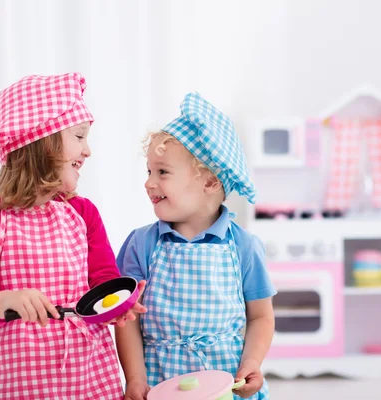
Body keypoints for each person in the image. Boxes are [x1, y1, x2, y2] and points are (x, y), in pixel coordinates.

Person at [0, 72, 145, 400]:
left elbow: (103, 283)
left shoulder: (83, 214)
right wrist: (5, 300)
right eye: (79, 136)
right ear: (42, 142)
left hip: (92, 378)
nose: (88, 151)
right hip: (23, 385)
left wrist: (120, 304)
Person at [115, 92, 276, 399]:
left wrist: (252, 364)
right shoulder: (141, 244)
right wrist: (134, 378)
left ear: (210, 182)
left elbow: (260, 316)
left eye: (162, 172)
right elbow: (127, 319)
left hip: (226, 384)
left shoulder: (244, 246)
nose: (149, 182)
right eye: (149, 171)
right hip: (160, 382)